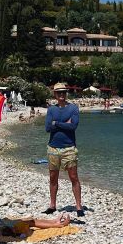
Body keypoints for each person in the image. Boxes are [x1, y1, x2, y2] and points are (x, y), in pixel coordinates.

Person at [44, 82, 84, 217]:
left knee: (74, 177)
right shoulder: (51, 109)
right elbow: (48, 128)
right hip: (53, 148)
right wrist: (64, 124)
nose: (61, 94)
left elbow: (73, 127)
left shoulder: (73, 108)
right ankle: (52, 205)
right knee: (53, 178)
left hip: (69, 148)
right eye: (59, 92)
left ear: (66, 94)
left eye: (64, 92)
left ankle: (79, 207)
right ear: (55, 94)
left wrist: (56, 123)